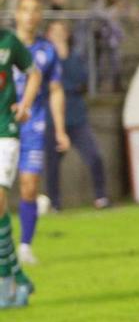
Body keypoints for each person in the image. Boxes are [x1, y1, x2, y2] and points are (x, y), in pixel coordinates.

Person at [13, 0, 68, 266]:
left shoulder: (47, 51)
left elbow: (56, 91)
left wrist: (59, 129)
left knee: (29, 186)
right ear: (16, 14)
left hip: (34, 125)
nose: (30, 16)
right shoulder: (5, 46)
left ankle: (24, 246)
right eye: (25, 10)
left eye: (35, 10)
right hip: (5, 124)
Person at [0, 0, 43, 308]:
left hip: (6, 130)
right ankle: (19, 277)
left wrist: (25, 105)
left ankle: (5, 284)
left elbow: (34, 74)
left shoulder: (8, 42)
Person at [43, 21, 109, 211]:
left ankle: (101, 196)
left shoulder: (75, 57)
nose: (57, 35)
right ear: (47, 35)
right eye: (53, 31)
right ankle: (55, 203)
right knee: (52, 165)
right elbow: (48, 85)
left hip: (77, 116)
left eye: (61, 31)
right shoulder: (44, 59)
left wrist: (64, 57)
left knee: (95, 156)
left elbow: (81, 79)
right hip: (53, 118)